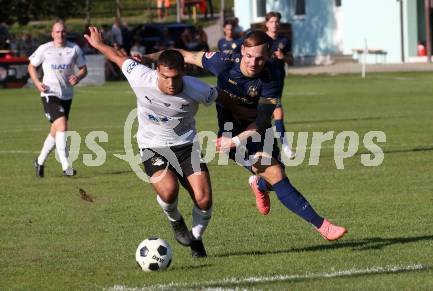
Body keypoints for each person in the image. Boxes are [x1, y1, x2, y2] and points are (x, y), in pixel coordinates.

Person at [145, 30, 347, 241]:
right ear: (242, 51)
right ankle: (323, 226)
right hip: (231, 133)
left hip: (255, 132)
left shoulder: (271, 77)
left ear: (268, 56)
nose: (253, 62)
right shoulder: (223, 61)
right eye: (249, 56)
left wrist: (233, 142)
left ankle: (259, 184)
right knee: (276, 173)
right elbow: (184, 54)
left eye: (260, 58)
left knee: (274, 177)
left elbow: (261, 122)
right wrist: (146, 58)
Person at [84, 26, 219, 257]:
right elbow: (118, 57)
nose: (171, 83)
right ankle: (176, 221)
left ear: (183, 71)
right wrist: (98, 45)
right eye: (165, 77)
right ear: (157, 71)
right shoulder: (140, 76)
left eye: (176, 77)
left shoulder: (198, 89)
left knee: (204, 199)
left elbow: (224, 100)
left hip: (187, 147)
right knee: (168, 192)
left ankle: (195, 238)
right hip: (152, 147)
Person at [28, 21, 87, 178]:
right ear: (52, 34)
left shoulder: (74, 49)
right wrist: (37, 83)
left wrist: (78, 77)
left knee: (55, 131)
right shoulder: (45, 49)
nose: (60, 34)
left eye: (63, 32)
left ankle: (39, 162)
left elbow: (83, 69)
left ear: (66, 33)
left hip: (67, 95)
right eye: (57, 32)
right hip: (49, 94)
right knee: (62, 125)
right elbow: (31, 66)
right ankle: (66, 166)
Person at [265, 11, 294, 158]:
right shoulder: (261, 40)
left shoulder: (284, 40)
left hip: (278, 82)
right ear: (266, 23)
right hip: (264, 83)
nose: (274, 24)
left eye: (277, 22)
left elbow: (291, 60)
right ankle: (286, 147)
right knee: (278, 112)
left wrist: (284, 57)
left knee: (265, 119)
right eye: (271, 21)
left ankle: (250, 146)